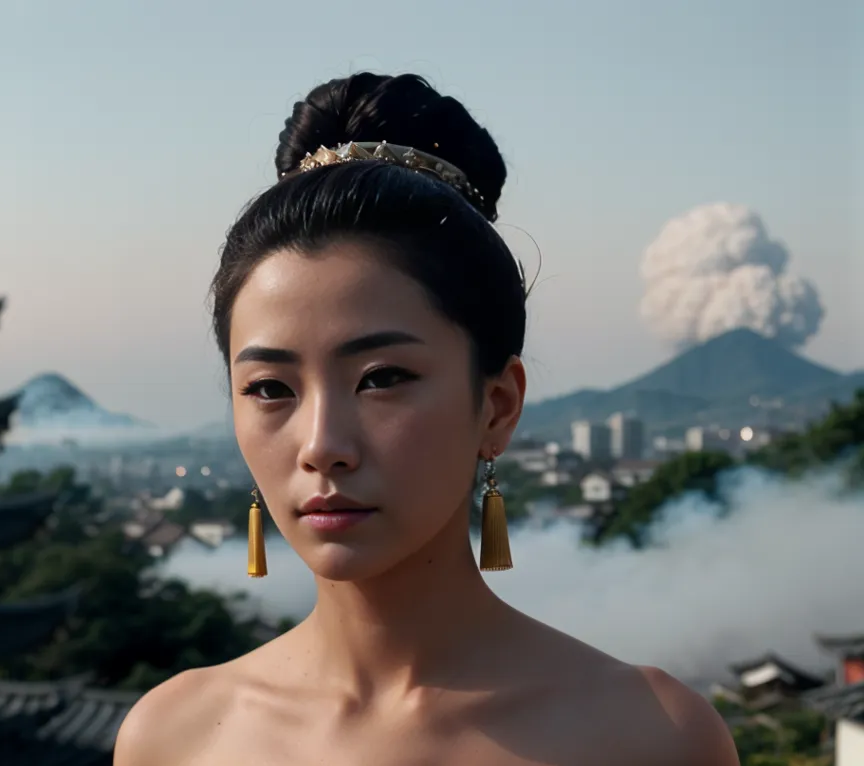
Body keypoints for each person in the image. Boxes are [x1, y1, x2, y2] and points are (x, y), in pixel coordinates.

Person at [115, 73, 739, 766]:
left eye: (383, 379)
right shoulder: (173, 737)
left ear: (497, 406)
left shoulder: (652, 738)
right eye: (269, 389)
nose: (322, 446)